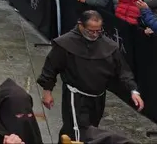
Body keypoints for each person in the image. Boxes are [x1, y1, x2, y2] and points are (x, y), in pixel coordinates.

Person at [37, 10, 143, 142]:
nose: (94, 34)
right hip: (75, 96)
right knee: (77, 131)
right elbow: (51, 68)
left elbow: (123, 70)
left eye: (98, 31)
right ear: (80, 25)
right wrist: (47, 92)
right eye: (91, 31)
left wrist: (133, 90)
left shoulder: (108, 45)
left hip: (98, 98)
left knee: (91, 130)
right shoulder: (66, 43)